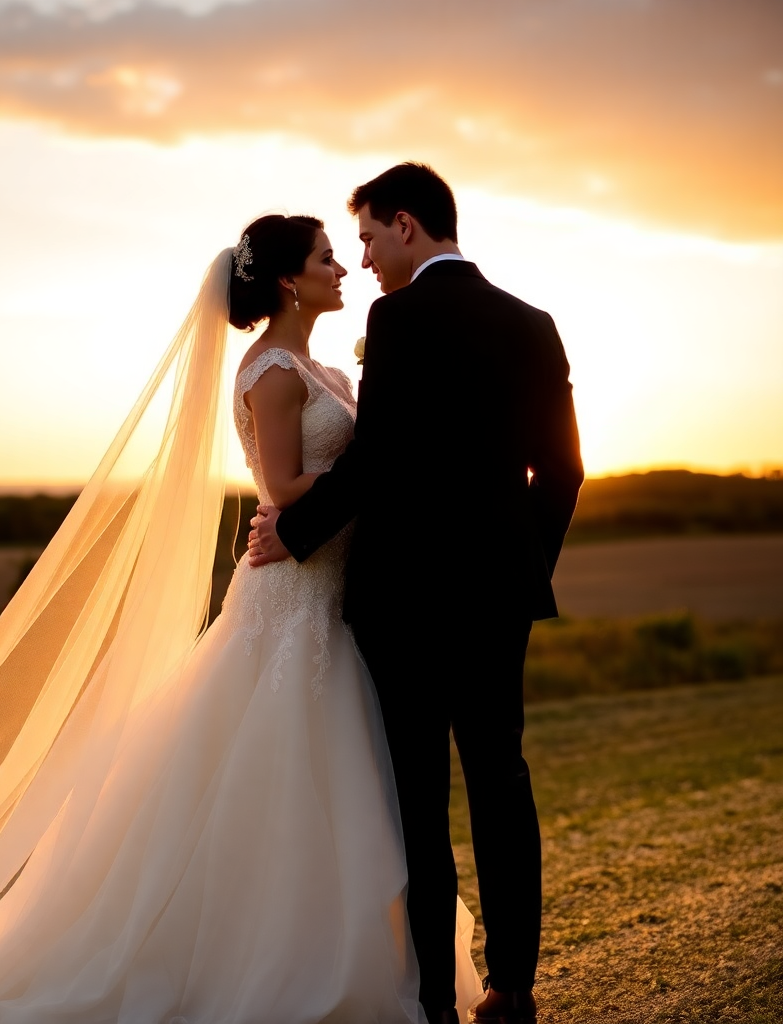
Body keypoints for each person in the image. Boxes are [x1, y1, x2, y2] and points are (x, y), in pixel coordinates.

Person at [0, 213, 482, 1023]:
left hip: (334, 599)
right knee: (283, 777)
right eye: (324, 258)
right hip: (292, 604)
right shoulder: (273, 370)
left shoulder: (326, 371)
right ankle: (265, 968)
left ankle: (352, 962)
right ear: (287, 280)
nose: (342, 268)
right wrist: (375, 479)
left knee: (343, 789)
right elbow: (281, 490)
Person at [250, 164, 585, 1024]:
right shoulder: (533, 323)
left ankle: (435, 995)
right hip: (496, 601)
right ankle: (511, 987)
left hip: (400, 600)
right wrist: (521, 569)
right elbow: (564, 471)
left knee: (417, 797)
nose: (360, 257)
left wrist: (292, 533)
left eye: (365, 236)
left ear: (405, 224)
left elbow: (378, 458)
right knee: (501, 780)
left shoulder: (397, 320)